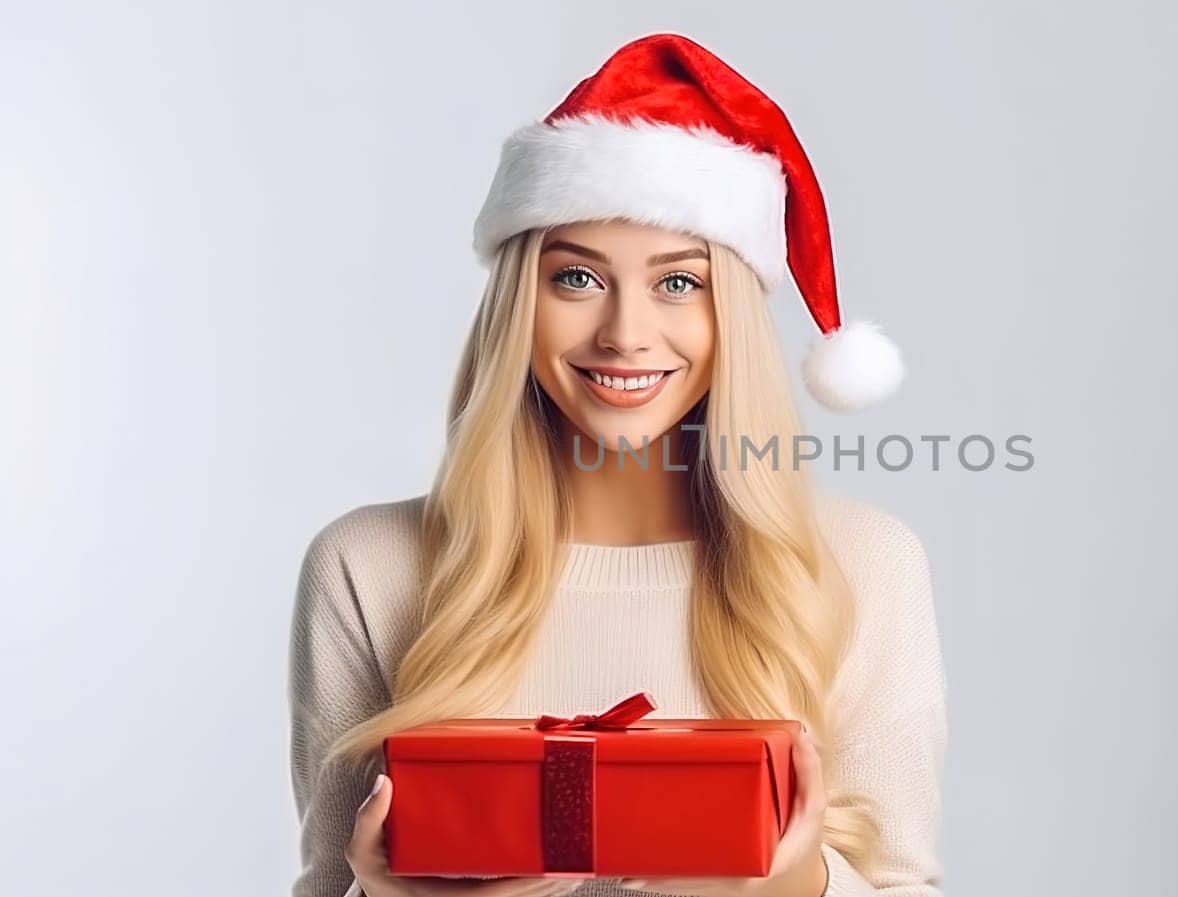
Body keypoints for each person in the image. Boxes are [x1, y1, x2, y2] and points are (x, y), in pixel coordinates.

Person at [288, 32, 946, 897]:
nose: (625, 333)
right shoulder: (368, 566)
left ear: (732, 316)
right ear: (521, 302)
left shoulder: (864, 565)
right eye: (577, 279)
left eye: (678, 282)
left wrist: (798, 885)